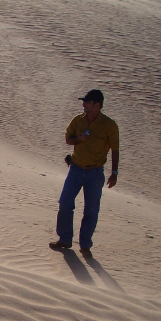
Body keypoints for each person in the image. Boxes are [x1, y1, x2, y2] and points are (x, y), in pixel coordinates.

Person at [50, 89, 119, 258]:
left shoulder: (109, 125)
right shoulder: (78, 120)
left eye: (87, 102)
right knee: (65, 203)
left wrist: (114, 172)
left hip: (95, 173)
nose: (84, 105)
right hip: (75, 169)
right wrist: (79, 139)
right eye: (84, 102)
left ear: (98, 105)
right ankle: (65, 239)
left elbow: (115, 149)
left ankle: (85, 245)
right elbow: (68, 140)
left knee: (91, 210)